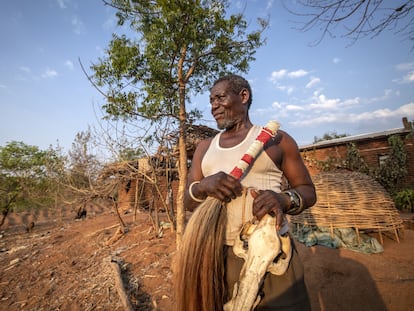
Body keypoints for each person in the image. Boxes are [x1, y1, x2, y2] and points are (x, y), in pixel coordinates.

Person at [184, 74, 317, 310]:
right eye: (211, 100)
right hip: (220, 256)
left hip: (274, 255)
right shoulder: (205, 148)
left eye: (220, 98)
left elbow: (307, 191)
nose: (213, 106)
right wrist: (204, 187)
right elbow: (188, 201)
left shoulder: (276, 141)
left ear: (243, 96)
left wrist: (283, 199)